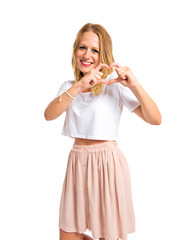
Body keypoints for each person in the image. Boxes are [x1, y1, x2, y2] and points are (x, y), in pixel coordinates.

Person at [44, 23, 161, 240]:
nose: (87, 54)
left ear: (103, 55)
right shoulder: (69, 87)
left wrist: (135, 85)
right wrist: (79, 85)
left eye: (94, 50)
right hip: (77, 162)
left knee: (109, 234)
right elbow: (49, 114)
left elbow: (155, 119)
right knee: (69, 233)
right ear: (75, 51)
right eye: (82, 47)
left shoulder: (113, 86)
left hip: (107, 164)